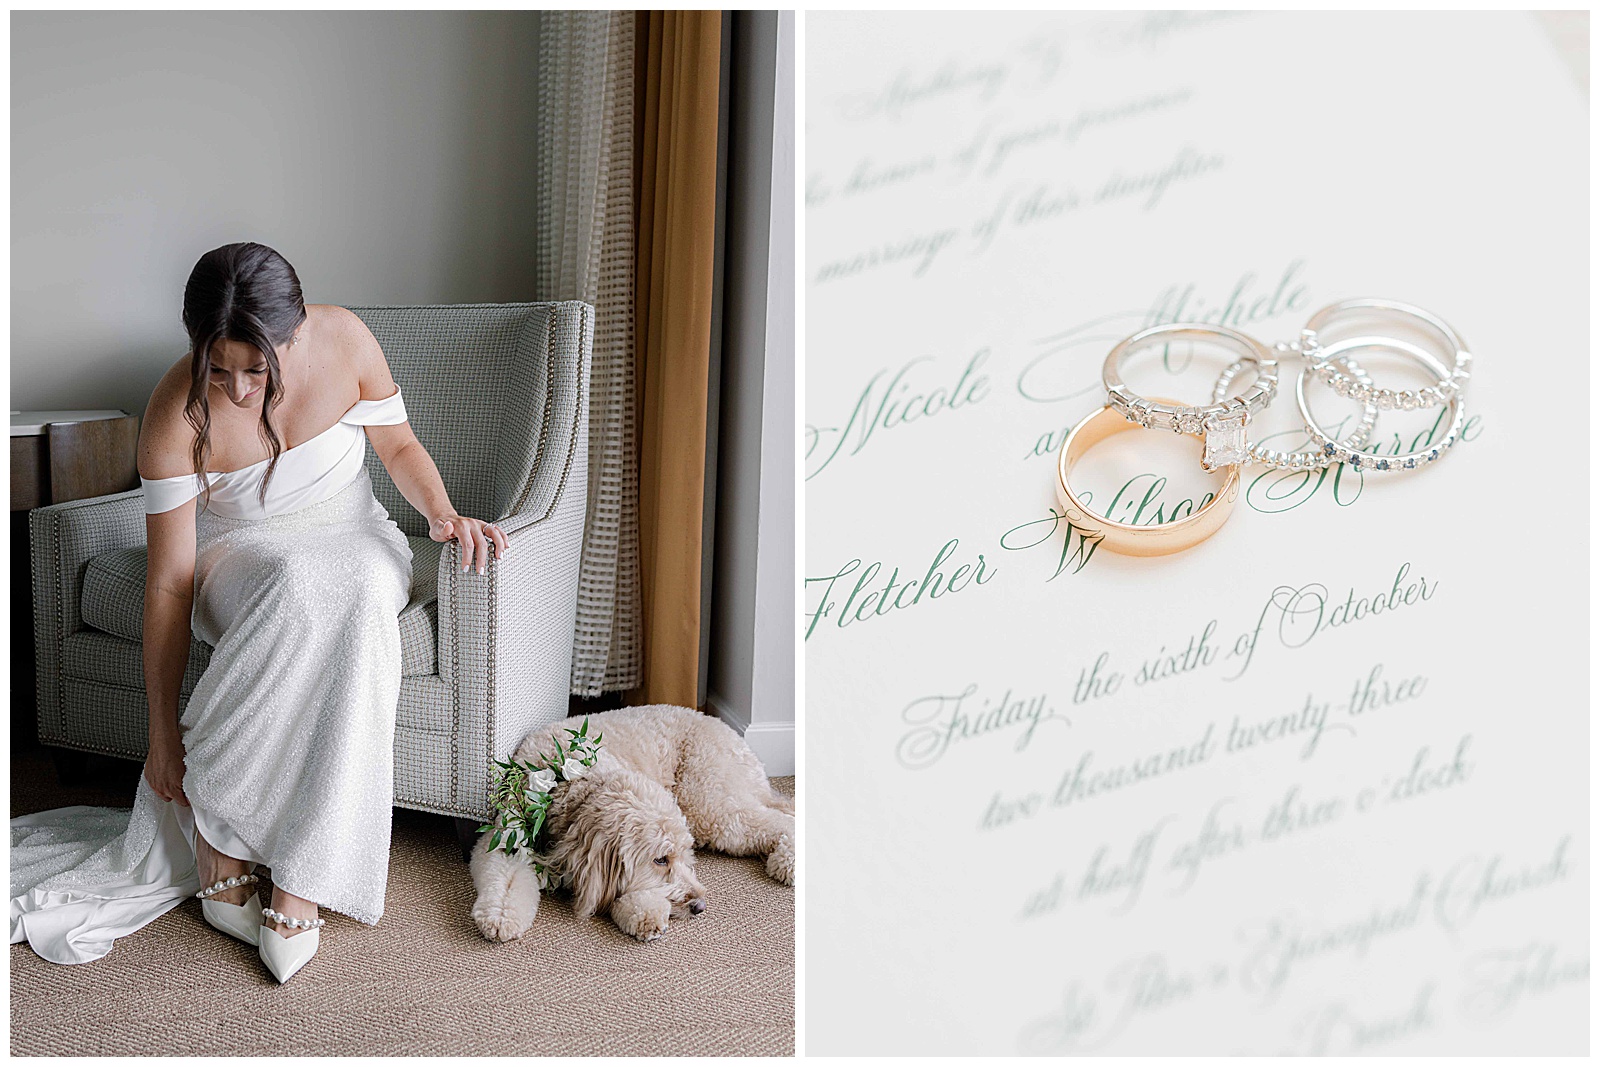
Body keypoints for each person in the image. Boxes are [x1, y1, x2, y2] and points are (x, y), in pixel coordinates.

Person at [10, 241, 508, 982]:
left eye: (257, 368)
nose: (240, 390)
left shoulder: (345, 339)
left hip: (352, 534)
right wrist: (161, 732)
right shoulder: (172, 413)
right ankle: (219, 839)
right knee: (295, 586)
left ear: (296, 332)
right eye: (219, 369)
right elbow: (172, 584)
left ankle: (302, 878)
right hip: (238, 556)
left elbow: (397, 442)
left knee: (364, 593)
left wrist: (440, 511)